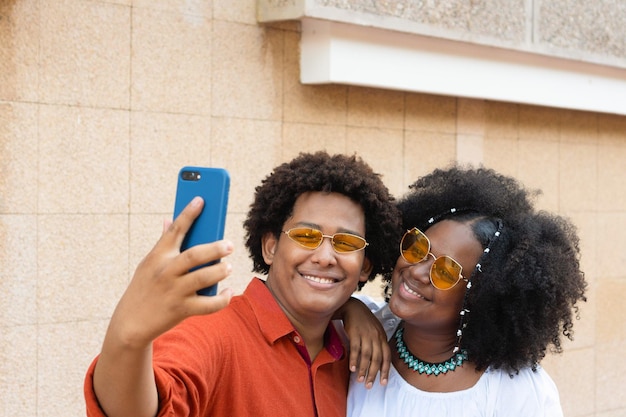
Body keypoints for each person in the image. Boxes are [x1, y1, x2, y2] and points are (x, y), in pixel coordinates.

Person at [83, 151, 401, 417]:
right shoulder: (213, 331)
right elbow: (136, 408)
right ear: (270, 246)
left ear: (365, 266)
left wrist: (352, 307)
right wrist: (129, 336)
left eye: (346, 243)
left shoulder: (354, 354)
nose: (325, 256)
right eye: (307, 236)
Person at [347, 166, 587, 417]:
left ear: (480, 297)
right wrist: (350, 308)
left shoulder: (515, 391)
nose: (417, 272)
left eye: (445, 272)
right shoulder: (365, 331)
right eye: (417, 248)